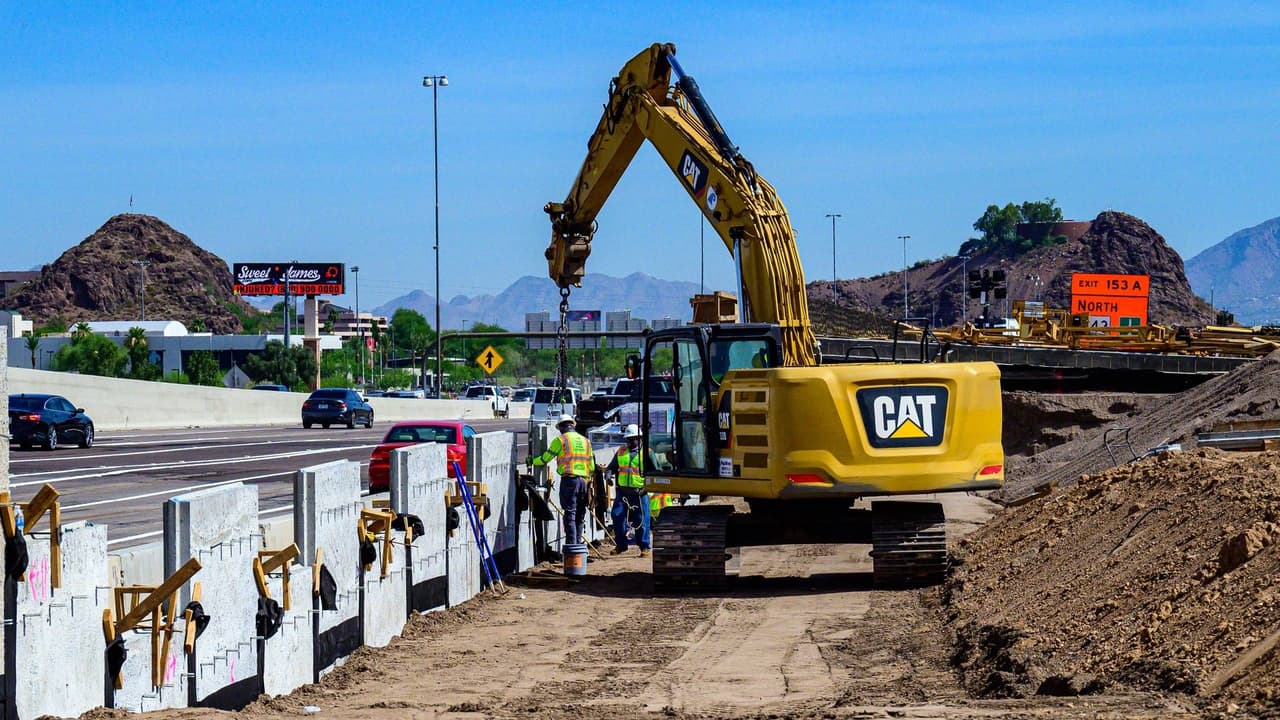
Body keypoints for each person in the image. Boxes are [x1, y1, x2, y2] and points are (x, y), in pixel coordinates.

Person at [530, 413, 595, 546]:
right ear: (572, 425)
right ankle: (578, 544)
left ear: (561, 427)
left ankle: (571, 546)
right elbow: (592, 466)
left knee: (570, 513)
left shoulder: (561, 440)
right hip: (584, 481)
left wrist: (532, 461)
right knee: (580, 513)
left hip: (570, 480)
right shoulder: (586, 441)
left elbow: (545, 459)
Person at [607, 424, 650, 556]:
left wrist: (646, 488)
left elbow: (655, 472)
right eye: (628, 439)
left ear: (639, 438)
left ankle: (644, 547)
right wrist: (608, 475)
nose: (630, 442)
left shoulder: (647, 453)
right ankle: (621, 545)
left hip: (639, 492)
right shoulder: (621, 451)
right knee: (617, 515)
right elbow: (611, 467)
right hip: (623, 492)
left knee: (641, 520)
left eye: (633, 439)